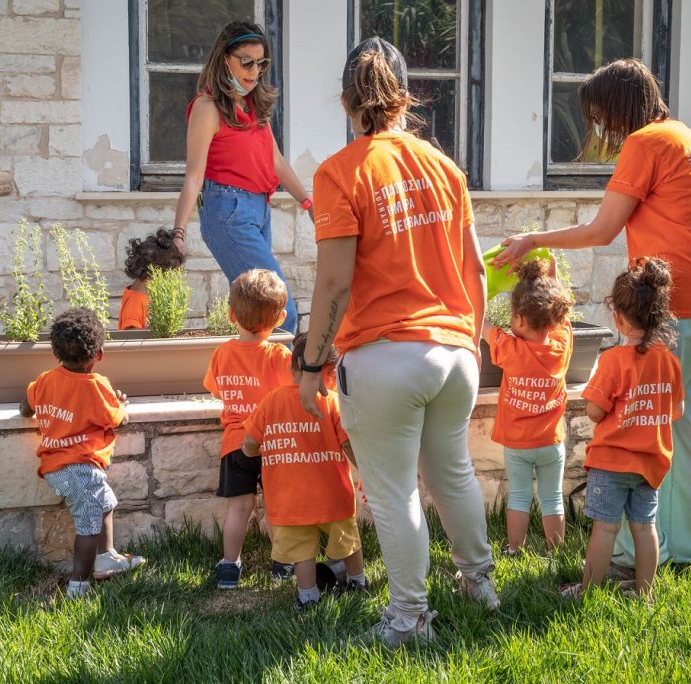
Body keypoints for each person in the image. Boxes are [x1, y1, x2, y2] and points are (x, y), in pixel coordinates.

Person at [493, 58, 691, 572]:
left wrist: (533, 239)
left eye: (601, 113)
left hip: (674, 308)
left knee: (634, 424)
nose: (601, 127)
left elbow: (603, 230)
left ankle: (629, 554)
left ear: (620, 106)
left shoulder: (645, 143)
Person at [298, 36, 497, 648]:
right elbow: (476, 273)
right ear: (406, 99)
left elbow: (334, 283)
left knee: (394, 493)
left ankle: (409, 619)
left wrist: (311, 365)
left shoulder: (339, 173)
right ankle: (480, 586)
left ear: (346, 102)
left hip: (385, 356)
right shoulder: (445, 167)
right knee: (454, 474)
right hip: (454, 351)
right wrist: (473, 342)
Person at [173, 21, 311, 336]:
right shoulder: (207, 108)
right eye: (245, 62)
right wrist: (178, 232)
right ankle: (281, 382)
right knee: (278, 309)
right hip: (227, 211)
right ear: (224, 59)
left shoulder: (252, 106)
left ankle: (253, 380)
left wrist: (307, 201)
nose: (253, 71)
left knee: (258, 315)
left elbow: (275, 161)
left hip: (258, 210)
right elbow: (194, 176)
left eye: (260, 64)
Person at [562, 258, 684, 599]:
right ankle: (644, 593)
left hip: (611, 463)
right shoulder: (669, 362)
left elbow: (596, 411)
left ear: (617, 316)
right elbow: (677, 411)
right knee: (645, 529)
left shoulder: (613, 360)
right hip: (650, 465)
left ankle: (587, 591)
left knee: (605, 528)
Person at [20, 308, 146, 598]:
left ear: (57, 352)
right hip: (80, 467)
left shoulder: (44, 380)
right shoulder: (95, 385)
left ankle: (107, 558)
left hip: (54, 466)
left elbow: (25, 407)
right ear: (98, 354)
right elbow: (117, 418)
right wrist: (122, 403)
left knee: (105, 502)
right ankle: (79, 584)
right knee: (88, 525)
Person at [243, 333, 367, 610]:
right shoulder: (331, 402)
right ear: (328, 371)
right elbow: (348, 445)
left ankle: (308, 596)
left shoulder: (271, 401)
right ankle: (358, 581)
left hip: (289, 501)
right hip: (333, 496)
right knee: (348, 541)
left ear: (293, 367)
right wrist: (369, 474)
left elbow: (250, 442)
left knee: (302, 553)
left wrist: (253, 452)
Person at [203, 268, 292, 589]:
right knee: (276, 507)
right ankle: (283, 563)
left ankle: (229, 566)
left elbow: (215, 389)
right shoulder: (279, 356)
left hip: (235, 444)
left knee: (239, 507)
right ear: (280, 317)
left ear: (230, 314)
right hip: (272, 445)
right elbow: (294, 391)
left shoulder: (221, 354)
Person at [482, 257, 573, 556]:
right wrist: (553, 279)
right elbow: (561, 321)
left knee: (519, 498)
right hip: (550, 442)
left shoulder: (509, 349)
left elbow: (480, 323)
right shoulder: (561, 346)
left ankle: (514, 549)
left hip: (517, 443)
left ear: (520, 319)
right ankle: (555, 553)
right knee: (552, 499)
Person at [118, 229, 184, 330]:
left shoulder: (147, 297)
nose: (170, 283)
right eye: (169, 277)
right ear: (155, 274)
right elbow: (130, 338)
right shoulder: (134, 303)